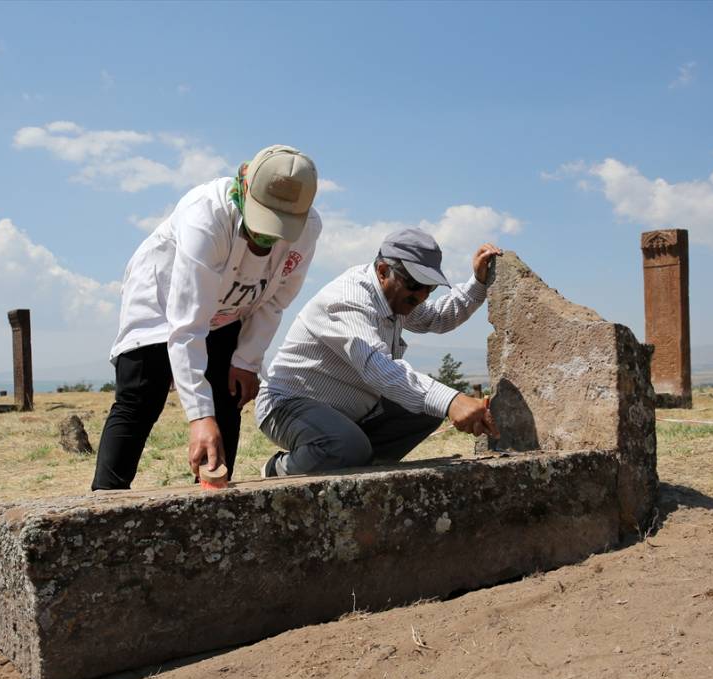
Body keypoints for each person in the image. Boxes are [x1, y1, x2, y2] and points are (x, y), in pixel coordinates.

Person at [91, 145, 321, 490]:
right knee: (142, 396)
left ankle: (214, 498)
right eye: (261, 223)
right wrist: (199, 417)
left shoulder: (308, 229)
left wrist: (246, 359)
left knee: (227, 397)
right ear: (243, 182)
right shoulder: (207, 215)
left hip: (229, 309)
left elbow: (275, 300)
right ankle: (104, 502)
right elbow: (187, 325)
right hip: (163, 302)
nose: (266, 238)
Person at [255, 228, 500, 477]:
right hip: (286, 405)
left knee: (425, 410)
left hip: (349, 410)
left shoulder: (396, 295)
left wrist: (478, 283)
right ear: (383, 271)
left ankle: (362, 470)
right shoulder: (349, 301)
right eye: (416, 285)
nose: (422, 295)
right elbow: (378, 367)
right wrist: (451, 400)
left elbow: (437, 318)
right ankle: (278, 470)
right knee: (348, 446)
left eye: (430, 288)